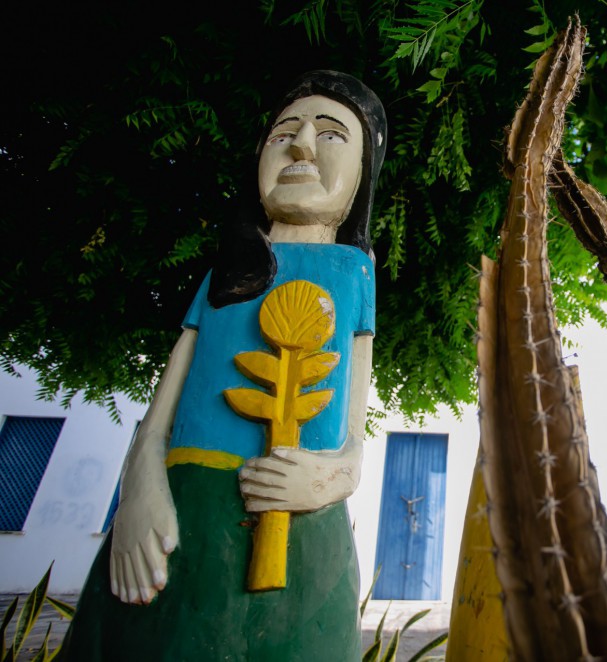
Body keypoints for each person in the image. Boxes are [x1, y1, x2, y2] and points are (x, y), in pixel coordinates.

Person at [65, 70, 387, 661]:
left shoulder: (354, 275)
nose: (302, 144)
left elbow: (354, 433)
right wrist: (139, 489)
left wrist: (332, 477)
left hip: (299, 525)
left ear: (363, 175)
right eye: (285, 130)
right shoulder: (222, 276)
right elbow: (160, 413)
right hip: (182, 510)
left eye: (333, 133)